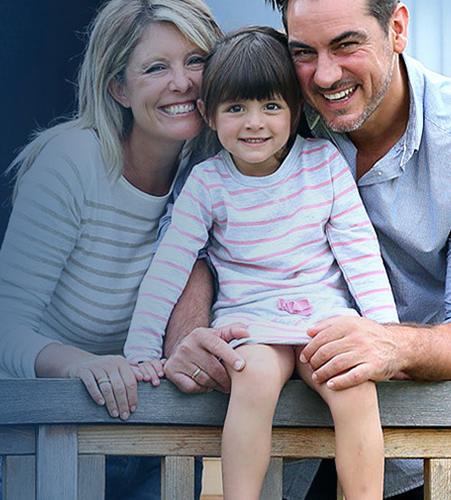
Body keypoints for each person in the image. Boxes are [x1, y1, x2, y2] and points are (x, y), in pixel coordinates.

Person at [159, 0, 451, 500]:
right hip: (277, 448)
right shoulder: (258, 112)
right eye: (304, 52)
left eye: (346, 45)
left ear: (397, 29)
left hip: (415, 458)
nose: (324, 75)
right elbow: (188, 238)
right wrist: (188, 336)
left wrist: (393, 344)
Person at [123, 26, 396, 500]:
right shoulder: (208, 184)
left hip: (323, 321)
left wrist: (384, 334)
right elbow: (169, 268)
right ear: (209, 114)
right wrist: (142, 350)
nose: (254, 123)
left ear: (295, 109)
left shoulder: (323, 164)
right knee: (250, 381)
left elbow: (359, 251)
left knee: (353, 389)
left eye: (271, 106)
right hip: (250, 325)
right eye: (236, 108)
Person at [0, 0, 222, 500]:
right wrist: (84, 365)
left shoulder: (215, 177)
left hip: (149, 436)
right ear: (118, 89)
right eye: (156, 68)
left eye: (196, 60)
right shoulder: (72, 164)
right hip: (37, 432)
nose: (183, 83)